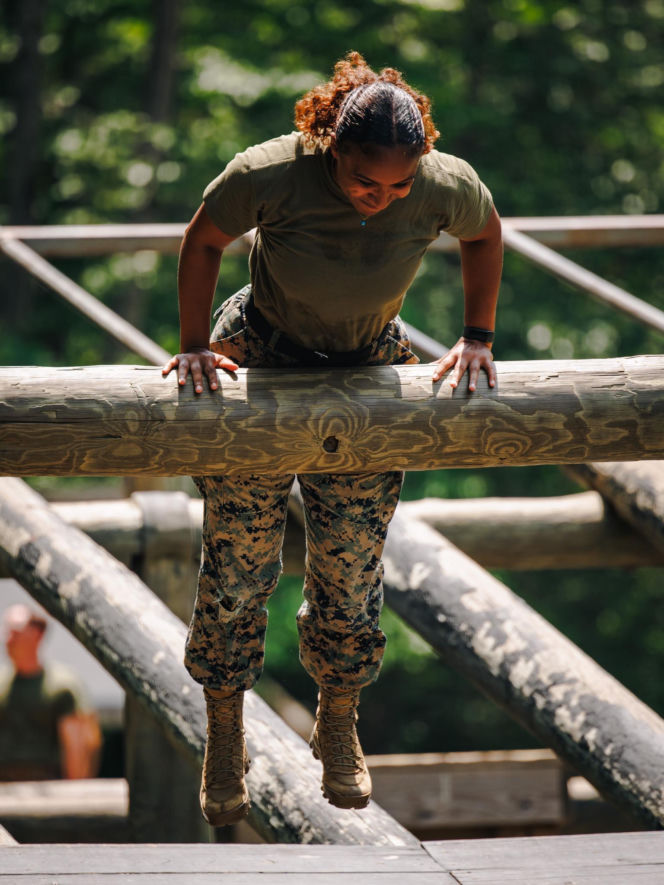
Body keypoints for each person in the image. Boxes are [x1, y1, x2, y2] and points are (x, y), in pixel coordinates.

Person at [163, 51, 502, 826]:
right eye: (362, 181)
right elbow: (202, 239)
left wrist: (476, 336)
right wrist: (190, 343)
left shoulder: (443, 182)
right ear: (330, 147)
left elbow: (485, 235)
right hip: (263, 354)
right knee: (241, 560)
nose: (379, 199)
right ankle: (224, 723)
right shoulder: (271, 172)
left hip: (365, 366)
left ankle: (339, 713)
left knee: (351, 565)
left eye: (397, 187)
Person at [0, 604, 101, 781]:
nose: (7, 640)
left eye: (14, 632)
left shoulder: (62, 686)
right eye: (6, 632)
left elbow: (78, 746)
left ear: (37, 635)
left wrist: (75, 794)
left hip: (47, 787)